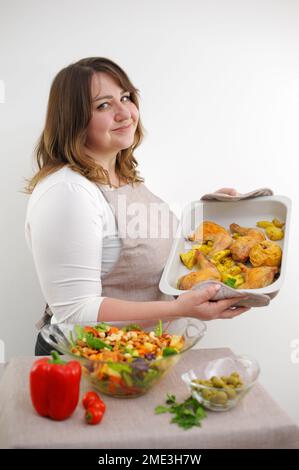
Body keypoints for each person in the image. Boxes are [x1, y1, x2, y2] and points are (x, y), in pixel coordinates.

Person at [24, 57, 250, 355]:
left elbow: (149, 246)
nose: (125, 113)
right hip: (89, 363)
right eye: (103, 105)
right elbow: (75, 312)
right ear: (73, 119)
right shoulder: (68, 192)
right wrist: (179, 309)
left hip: (138, 355)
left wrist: (204, 214)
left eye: (126, 98)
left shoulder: (123, 176)